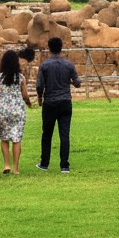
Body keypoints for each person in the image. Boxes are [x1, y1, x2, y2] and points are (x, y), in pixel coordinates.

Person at [35, 36, 82, 173]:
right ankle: (64, 165)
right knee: (64, 134)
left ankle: (44, 163)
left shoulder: (44, 65)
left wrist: (40, 98)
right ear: (61, 48)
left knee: (47, 134)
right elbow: (78, 83)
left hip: (50, 102)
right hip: (65, 101)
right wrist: (73, 83)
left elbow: (39, 85)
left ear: (49, 48)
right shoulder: (68, 65)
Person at [0, 49, 33, 175]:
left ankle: (6, 164)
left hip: (4, 111)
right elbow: (25, 96)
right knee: (17, 139)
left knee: (5, 139)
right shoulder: (20, 77)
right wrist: (29, 104)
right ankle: (16, 168)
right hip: (18, 111)